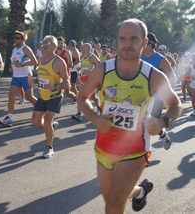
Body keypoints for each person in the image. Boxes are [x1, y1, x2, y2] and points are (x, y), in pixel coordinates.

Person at [77, 18, 183, 213]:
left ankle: (136, 191)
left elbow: (176, 104)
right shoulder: (103, 69)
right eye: (122, 38)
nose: (127, 44)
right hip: (103, 147)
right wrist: (95, 118)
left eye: (133, 38)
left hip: (134, 150)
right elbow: (82, 97)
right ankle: (140, 191)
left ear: (144, 42)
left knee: (113, 205)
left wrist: (163, 121)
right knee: (111, 198)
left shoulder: (153, 76)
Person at [30, 35, 70, 159]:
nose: (44, 45)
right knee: (35, 121)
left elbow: (67, 82)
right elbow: (41, 77)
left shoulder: (59, 62)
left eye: (47, 43)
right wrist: (34, 81)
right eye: (43, 43)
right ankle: (51, 127)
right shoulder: (40, 60)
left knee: (47, 120)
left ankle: (49, 147)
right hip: (42, 96)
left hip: (55, 96)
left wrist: (55, 87)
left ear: (54, 46)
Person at [141, 32, 176, 150]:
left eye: (143, 42)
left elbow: (173, 77)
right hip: (139, 96)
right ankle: (140, 150)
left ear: (149, 44)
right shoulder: (138, 57)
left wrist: (164, 93)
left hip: (156, 98)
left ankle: (163, 135)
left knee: (152, 123)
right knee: (140, 123)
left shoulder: (160, 59)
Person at [0, 30, 37, 126]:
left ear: (23, 39)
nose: (15, 40)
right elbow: (14, 61)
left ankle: (43, 112)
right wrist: (12, 67)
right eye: (14, 38)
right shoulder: (14, 49)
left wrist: (22, 64)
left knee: (30, 97)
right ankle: (9, 118)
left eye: (17, 38)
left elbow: (35, 61)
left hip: (26, 76)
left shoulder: (26, 48)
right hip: (16, 76)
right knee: (11, 97)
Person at [71, 43, 100, 122]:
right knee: (80, 97)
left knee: (93, 97)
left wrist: (90, 71)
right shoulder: (82, 57)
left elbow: (100, 66)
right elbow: (84, 66)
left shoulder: (92, 57)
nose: (81, 49)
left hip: (91, 81)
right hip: (83, 80)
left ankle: (100, 107)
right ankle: (78, 114)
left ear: (87, 49)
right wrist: (80, 68)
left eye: (83, 48)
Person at [55, 37, 77, 102]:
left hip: (65, 75)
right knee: (55, 90)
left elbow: (71, 65)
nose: (60, 44)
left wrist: (62, 67)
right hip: (56, 74)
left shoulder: (66, 53)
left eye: (62, 43)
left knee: (67, 93)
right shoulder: (54, 52)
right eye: (59, 43)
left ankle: (78, 99)